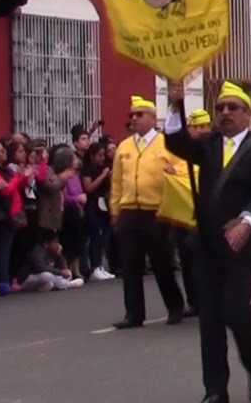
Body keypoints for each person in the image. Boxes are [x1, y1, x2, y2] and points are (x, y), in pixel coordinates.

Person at [164, 81, 251, 403]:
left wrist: (248, 220)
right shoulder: (207, 144)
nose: (225, 113)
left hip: (242, 245)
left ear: (248, 114)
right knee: (210, 318)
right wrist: (175, 104)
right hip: (207, 245)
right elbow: (175, 143)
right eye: (220, 108)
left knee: (235, 310)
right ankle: (215, 390)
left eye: (233, 108)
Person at [110, 96, 190, 329]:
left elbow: (187, 168)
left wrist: (174, 169)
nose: (134, 119)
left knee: (162, 263)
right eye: (132, 115)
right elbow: (116, 181)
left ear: (153, 119)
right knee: (130, 265)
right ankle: (134, 314)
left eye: (140, 115)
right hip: (129, 210)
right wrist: (115, 210)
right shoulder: (124, 147)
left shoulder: (166, 144)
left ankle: (175, 307)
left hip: (156, 212)